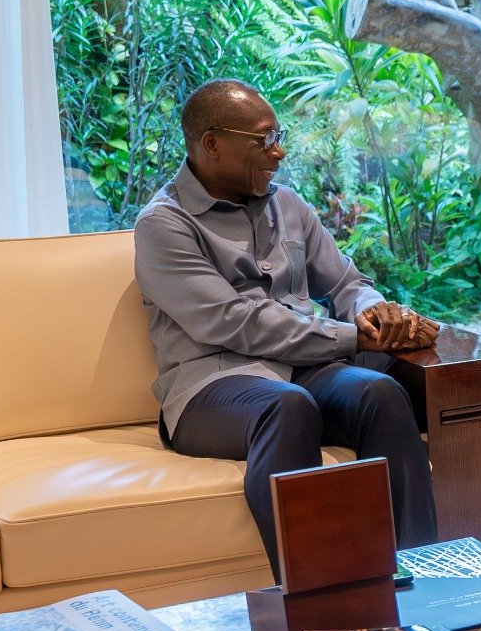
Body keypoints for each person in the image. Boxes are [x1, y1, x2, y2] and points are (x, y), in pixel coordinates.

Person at [134, 78, 440, 578]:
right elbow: (234, 323)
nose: (278, 152)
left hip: (300, 367)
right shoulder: (164, 225)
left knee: (379, 393)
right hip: (212, 387)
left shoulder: (289, 206)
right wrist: (349, 337)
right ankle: (321, 607)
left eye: (279, 135)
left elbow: (345, 282)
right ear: (212, 143)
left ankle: (423, 579)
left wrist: (374, 309)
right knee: (288, 407)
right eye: (264, 140)